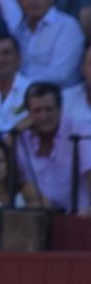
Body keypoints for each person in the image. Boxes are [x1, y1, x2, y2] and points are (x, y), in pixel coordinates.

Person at [13, 81, 91, 211]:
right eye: (37, 111)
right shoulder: (20, 137)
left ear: (60, 109)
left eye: (48, 109)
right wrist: (12, 134)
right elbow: (7, 173)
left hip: (79, 217)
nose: (43, 116)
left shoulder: (80, 131)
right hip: (40, 218)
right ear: (28, 114)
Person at [15, 0, 83, 87]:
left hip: (60, 97)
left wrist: (20, 85)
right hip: (21, 95)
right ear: (19, 1)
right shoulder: (18, 30)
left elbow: (59, 74)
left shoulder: (67, 26)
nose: (32, 1)